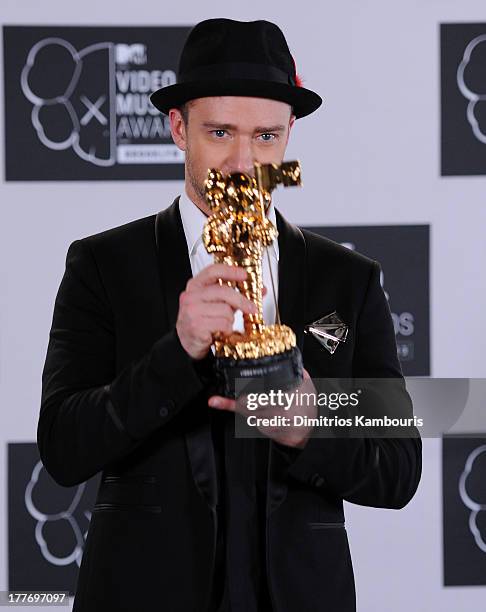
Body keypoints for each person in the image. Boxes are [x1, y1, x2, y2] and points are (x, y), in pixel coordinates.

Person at [38, 18, 422, 612]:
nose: (244, 161)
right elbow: (63, 447)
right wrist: (177, 351)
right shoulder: (103, 266)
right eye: (220, 132)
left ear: (290, 133)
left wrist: (310, 429)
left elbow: (399, 468)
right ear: (177, 128)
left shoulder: (348, 279)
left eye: (266, 137)